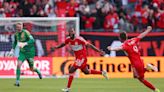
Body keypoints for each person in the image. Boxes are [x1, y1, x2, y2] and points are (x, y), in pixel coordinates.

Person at [52, 27, 108, 92]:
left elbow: (89, 45)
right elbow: (63, 44)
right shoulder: (68, 40)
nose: (71, 33)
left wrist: (98, 51)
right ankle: (102, 73)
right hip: (78, 58)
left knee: (71, 70)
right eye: (70, 32)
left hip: (82, 57)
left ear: (74, 32)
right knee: (86, 72)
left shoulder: (79, 39)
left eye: (72, 31)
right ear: (69, 33)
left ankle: (68, 88)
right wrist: (56, 47)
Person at [107, 26, 160, 92]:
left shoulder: (125, 45)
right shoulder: (132, 40)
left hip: (136, 64)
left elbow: (118, 48)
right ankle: (148, 68)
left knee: (142, 80)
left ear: (120, 38)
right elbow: (141, 35)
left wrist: (111, 48)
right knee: (135, 77)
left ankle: (155, 90)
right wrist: (148, 30)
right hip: (139, 61)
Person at [8, 22, 42, 87]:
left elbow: (32, 40)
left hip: (29, 52)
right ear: (16, 28)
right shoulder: (16, 34)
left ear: (22, 27)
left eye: (20, 27)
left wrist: (25, 43)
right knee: (18, 65)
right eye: (17, 27)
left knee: (31, 68)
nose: (19, 29)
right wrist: (12, 50)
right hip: (22, 52)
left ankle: (37, 71)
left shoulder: (26, 32)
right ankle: (17, 81)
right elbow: (15, 42)